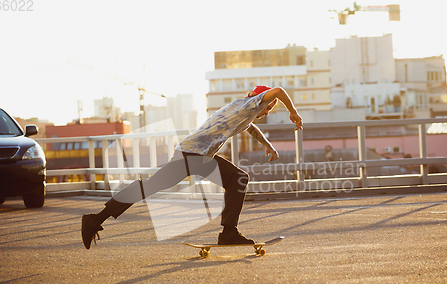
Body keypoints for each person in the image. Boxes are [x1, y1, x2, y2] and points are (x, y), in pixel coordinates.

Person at [81, 86, 303, 249]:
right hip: (193, 155)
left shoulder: (243, 110)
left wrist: (268, 145)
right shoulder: (250, 103)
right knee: (238, 179)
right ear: (260, 101)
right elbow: (279, 90)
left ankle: (96, 219)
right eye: (268, 108)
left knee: (150, 187)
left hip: (195, 155)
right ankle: (228, 233)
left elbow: (250, 127)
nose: (266, 113)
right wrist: (292, 111)